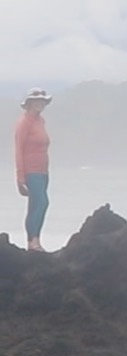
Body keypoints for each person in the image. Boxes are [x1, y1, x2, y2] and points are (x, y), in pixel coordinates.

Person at [13, 88, 51, 251]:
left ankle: (35, 241)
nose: (40, 103)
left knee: (35, 205)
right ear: (29, 103)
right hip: (31, 171)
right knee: (42, 202)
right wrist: (20, 177)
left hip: (43, 171)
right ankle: (32, 240)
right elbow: (18, 149)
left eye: (42, 100)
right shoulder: (24, 122)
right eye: (36, 101)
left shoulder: (40, 121)